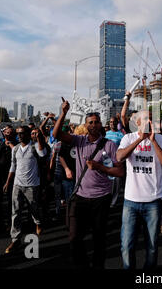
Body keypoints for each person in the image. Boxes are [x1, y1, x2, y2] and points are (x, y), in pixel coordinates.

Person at [52, 99, 124, 269]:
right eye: (90, 122)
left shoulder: (110, 145)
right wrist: (63, 113)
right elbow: (56, 135)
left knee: (99, 238)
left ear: (101, 125)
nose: (94, 125)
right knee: (74, 238)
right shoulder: (78, 140)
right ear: (85, 125)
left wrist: (100, 167)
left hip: (101, 198)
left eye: (97, 122)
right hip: (80, 197)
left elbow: (120, 172)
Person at [116, 110, 162, 269]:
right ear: (138, 123)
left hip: (153, 202)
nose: (150, 121)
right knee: (126, 245)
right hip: (131, 202)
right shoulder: (129, 138)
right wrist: (140, 139)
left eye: (152, 119)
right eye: (146, 119)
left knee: (152, 246)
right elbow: (119, 157)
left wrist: (153, 141)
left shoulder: (160, 139)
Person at [3, 125, 47, 254]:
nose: (19, 136)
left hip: (32, 185)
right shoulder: (15, 149)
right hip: (17, 184)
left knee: (33, 209)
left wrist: (39, 138)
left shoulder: (34, 147)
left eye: (22, 133)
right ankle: (15, 240)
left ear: (28, 134)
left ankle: (38, 222)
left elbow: (43, 153)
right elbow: (13, 166)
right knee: (15, 212)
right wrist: (7, 182)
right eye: (18, 133)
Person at [105, 116, 125, 208]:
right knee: (107, 182)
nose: (112, 123)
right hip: (106, 162)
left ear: (117, 123)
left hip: (117, 162)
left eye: (114, 122)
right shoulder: (106, 134)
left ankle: (113, 202)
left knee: (117, 184)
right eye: (111, 122)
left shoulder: (121, 135)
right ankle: (107, 200)